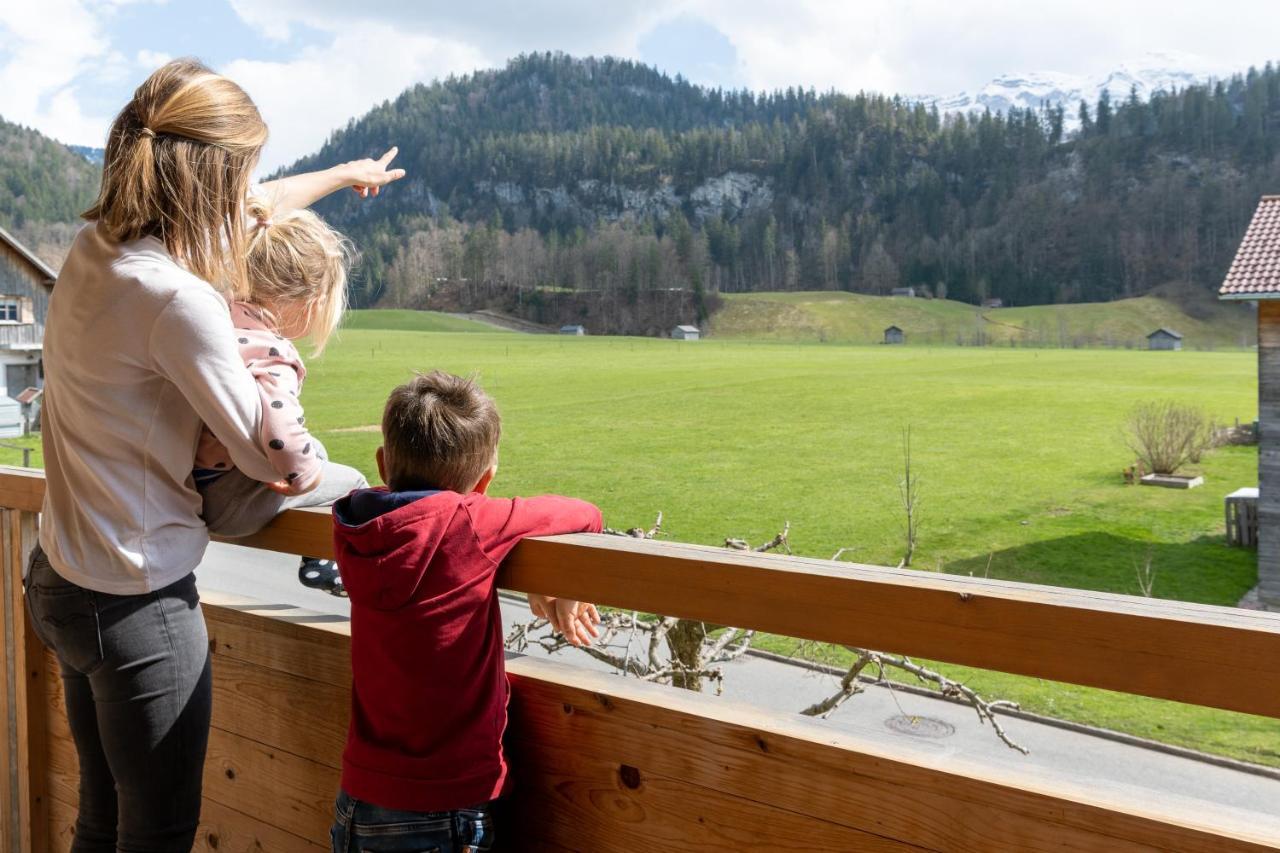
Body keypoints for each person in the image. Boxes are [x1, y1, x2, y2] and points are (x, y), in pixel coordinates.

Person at [24, 58, 404, 852]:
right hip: (136, 602)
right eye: (245, 175)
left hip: (58, 577)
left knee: (99, 820)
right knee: (158, 835)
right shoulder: (180, 299)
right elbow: (278, 462)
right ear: (212, 180)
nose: (253, 196)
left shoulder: (96, 250)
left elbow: (263, 207)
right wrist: (339, 470)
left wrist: (340, 175)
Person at [330, 371, 602, 853]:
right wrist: (560, 586)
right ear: (485, 481)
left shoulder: (356, 523)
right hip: (444, 807)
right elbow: (583, 512)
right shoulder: (470, 522)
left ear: (382, 463)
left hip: (359, 800)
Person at [194, 196, 366, 595]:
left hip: (191, 487)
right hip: (228, 503)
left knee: (316, 448)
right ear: (306, 303)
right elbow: (282, 431)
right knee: (353, 483)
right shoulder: (271, 353)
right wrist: (303, 477)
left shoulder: (218, 323)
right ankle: (323, 561)